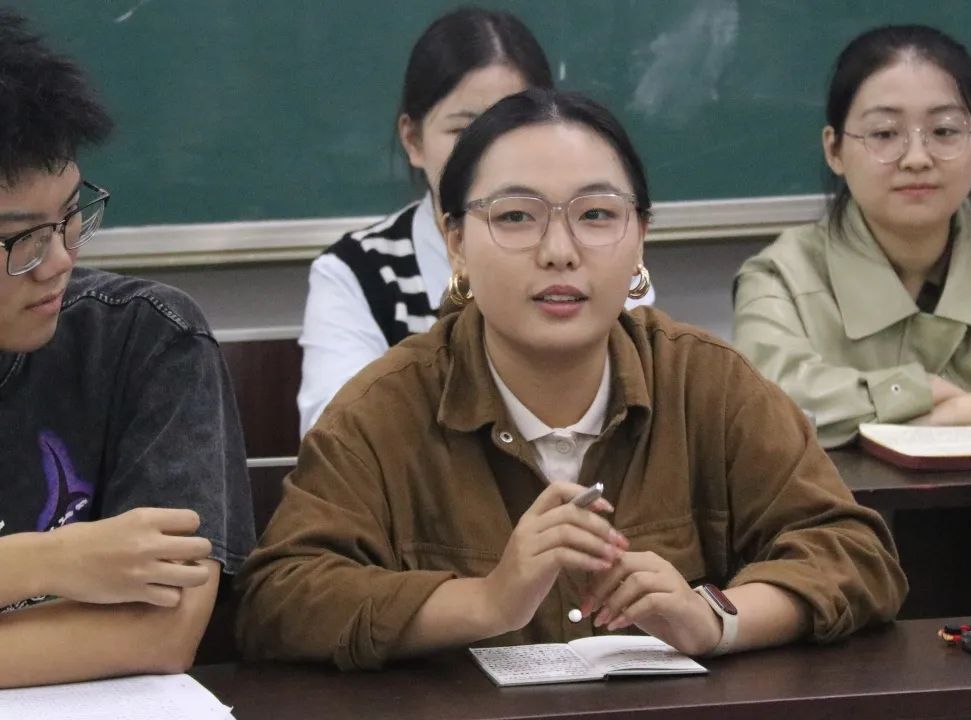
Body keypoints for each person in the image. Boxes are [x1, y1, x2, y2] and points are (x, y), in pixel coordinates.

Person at [236, 88, 906, 670]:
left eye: (596, 215)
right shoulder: (384, 408)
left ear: (640, 235)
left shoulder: (707, 384)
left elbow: (854, 553)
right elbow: (281, 601)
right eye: (515, 217)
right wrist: (486, 601)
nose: (559, 251)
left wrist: (714, 618)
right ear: (456, 241)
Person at [0, 10, 254, 687]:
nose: (59, 260)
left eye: (69, 216)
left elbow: (161, 630)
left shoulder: (146, 337)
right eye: (22, 239)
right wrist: (45, 563)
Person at [297, 6, 653, 436]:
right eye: (462, 130)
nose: (486, 153)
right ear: (413, 139)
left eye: (510, 127)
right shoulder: (355, 272)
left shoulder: (599, 251)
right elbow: (338, 438)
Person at [733, 25, 971, 449]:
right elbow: (761, 402)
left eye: (945, 131)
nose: (917, 158)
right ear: (834, 150)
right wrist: (914, 392)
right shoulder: (781, 278)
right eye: (884, 134)